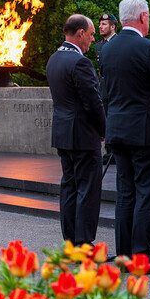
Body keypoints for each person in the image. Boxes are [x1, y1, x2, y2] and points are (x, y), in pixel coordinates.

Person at [99, 0, 150, 274]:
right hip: (146, 132)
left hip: (118, 131)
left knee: (126, 194)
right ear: (143, 17)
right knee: (148, 194)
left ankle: (124, 256)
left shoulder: (107, 50)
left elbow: (107, 93)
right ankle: (143, 257)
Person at [46, 14, 105, 245]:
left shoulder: (54, 59)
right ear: (80, 33)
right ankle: (84, 244)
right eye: (91, 35)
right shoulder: (80, 62)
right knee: (87, 190)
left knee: (69, 188)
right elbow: (93, 102)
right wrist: (103, 129)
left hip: (62, 133)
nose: (92, 40)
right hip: (82, 134)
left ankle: (70, 242)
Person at [96, 13, 118, 166]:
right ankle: (109, 152)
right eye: (100, 24)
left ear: (113, 27)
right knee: (107, 121)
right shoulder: (99, 45)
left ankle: (117, 152)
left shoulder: (118, 42)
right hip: (104, 88)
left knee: (116, 119)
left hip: (117, 87)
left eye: (104, 24)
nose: (100, 27)